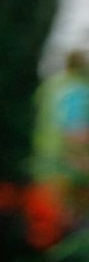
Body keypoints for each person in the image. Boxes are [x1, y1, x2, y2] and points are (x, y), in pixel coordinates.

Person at [31, 50, 89, 210]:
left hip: (47, 153)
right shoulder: (78, 88)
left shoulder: (52, 85)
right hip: (69, 155)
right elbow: (77, 127)